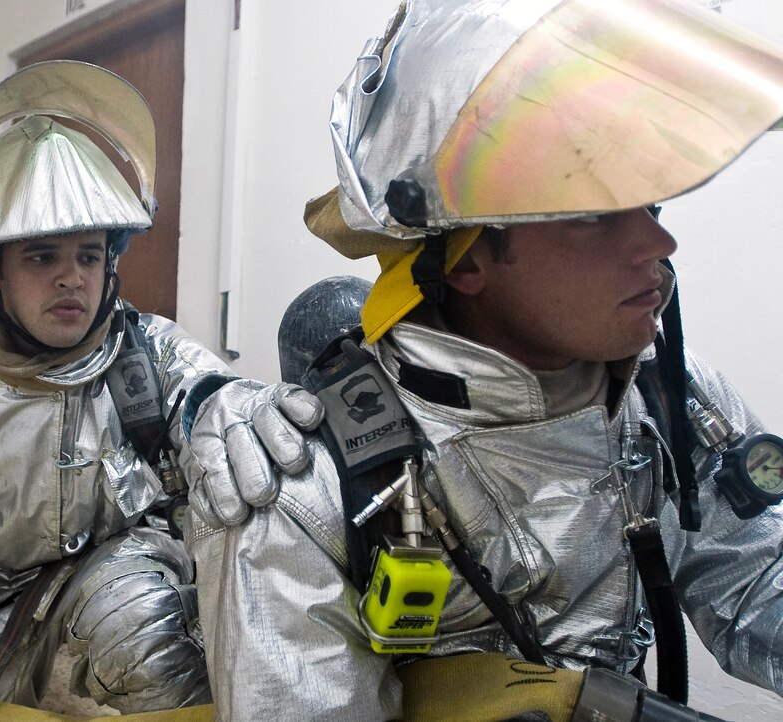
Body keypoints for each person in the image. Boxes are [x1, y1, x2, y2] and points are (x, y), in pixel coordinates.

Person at [186, 1, 783, 719]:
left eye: (650, 203)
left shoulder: (674, 400)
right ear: (465, 261)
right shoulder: (302, 481)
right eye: (591, 212)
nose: (659, 246)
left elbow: (759, 587)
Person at [0, 60, 321, 721]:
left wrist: (239, 408)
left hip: (109, 565)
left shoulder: (146, 353)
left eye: (89, 255)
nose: (72, 279)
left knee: (148, 639)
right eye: (41, 257)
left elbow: (210, 391)